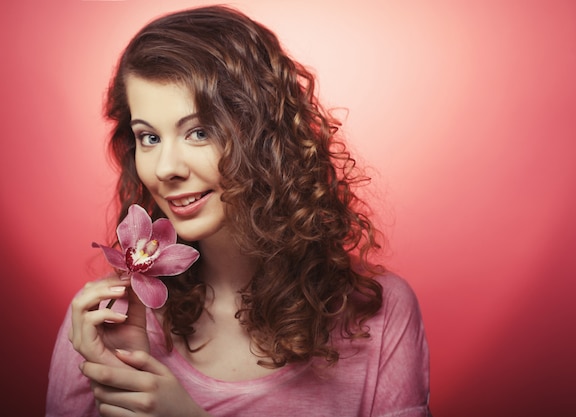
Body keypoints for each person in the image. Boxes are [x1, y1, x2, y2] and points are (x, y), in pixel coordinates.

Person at [46, 5, 431, 417]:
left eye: (200, 132)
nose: (166, 169)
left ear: (265, 137)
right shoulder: (106, 321)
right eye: (149, 138)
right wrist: (119, 372)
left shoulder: (380, 312)